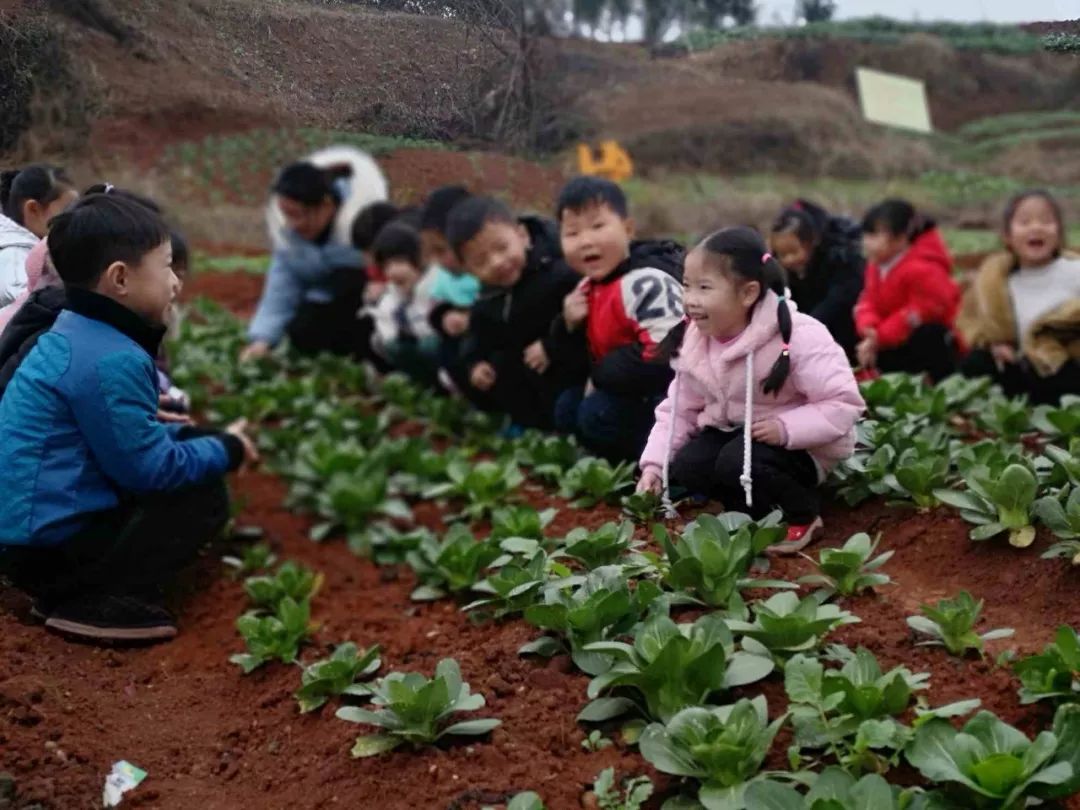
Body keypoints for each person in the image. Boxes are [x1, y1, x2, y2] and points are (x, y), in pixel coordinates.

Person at [0, 193, 258, 643]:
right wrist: (226, 448)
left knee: (184, 443)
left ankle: (65, 591)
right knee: (201, 493)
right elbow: (150, 470)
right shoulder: (112, 358)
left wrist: (189, 436)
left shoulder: (74, 330)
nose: (176, 282)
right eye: (166, 266)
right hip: (52, 550)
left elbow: (120, 436)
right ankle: (97, 600)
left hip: (28, 542)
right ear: (120, 278)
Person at [638, 227, 863, 553]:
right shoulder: (697, 339)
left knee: (735, 462)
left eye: (704, 287)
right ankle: (749, 515)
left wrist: (786, 429)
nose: (690, 300)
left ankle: (803, 514)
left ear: (747, 293)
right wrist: (655, 466)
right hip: (739, 436)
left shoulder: (799, 335)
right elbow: (679, 409)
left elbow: (843, 402)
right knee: (689, 465)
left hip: (802, 447)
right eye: (686, 286)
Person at [550, 176, 684, 463]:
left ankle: (667, 465)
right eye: (572, 233)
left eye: (598, 226)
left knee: (594, 414)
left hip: (674, 400)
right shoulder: (588, 287)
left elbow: (665, 358)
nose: (586, 241)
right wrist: (568, 325)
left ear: (628, 229)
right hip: (628, 390)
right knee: (567, 406)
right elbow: (574, 361)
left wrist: (600, 375)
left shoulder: (646, 281)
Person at [242, 146, 388, 360]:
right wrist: (262, 340)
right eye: (286, 215)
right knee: (302, 330)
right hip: (325, 300)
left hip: (373, 306)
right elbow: (281, 288)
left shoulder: (366, 223)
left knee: (349, 281)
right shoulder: (291, 240)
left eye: (298, 215)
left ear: (326, 205)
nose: (291, 225)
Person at [446, 195, 580, 429]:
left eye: (502, 248)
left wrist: (551, 345)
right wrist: (475, 363)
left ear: (522, 236)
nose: (497, 262)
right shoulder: (488, 297)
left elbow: (584, 325)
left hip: (568, 363)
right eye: (481, 261)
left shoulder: (559, 273)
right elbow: (477, 335)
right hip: (529, 373)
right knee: (496, 365)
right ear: (468, 270)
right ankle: (528, 428)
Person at [957, 189, 1079, 404]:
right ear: (1007, 236)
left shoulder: (1074, 271)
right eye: (1025, 222)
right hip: (1020, 373)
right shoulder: (996, 283)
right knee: (977, 364)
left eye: (1046, 221)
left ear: (1059, 233)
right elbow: (972, 325)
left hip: (1065, 373)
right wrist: (995, 345)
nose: (1036, 227)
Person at [853, 200, 960, 382]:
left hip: (928, 343)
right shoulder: (875, 267)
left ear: (901, 237)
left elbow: (923, 311)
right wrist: (869, 327)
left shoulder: (924, 268)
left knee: (928, 334)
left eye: (874, 235)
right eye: (866, 235)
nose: (867, 242)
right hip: (887, 337)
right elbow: (867, 300)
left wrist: (879, 336)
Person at [769, 199, 864, 359]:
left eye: (793, 252)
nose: (788, 260)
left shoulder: (841, 262)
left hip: (846, 335)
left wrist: (804, 328)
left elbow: (835, 303)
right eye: (781, 255)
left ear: (811, 242)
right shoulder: (795, 271)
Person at [420, 186, 482, 394]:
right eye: (432, 252)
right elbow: (436, 306)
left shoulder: (499, 270)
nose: (438, 262)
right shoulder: (446, 277)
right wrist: (445, 316)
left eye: (441, 250)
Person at [367, 221, 440, 386]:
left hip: (440, 352)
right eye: (386, 266)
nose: (392, 272)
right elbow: (385, 327)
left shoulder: (436, 286)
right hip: (417, 350)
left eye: (399, 262)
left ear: (419, 259)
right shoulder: (393, 295)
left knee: (430, 346)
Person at [0, 165, 78, 306]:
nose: (74, 218)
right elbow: (25, 307)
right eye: (67, 210)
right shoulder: (14, 259)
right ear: (33, 209)